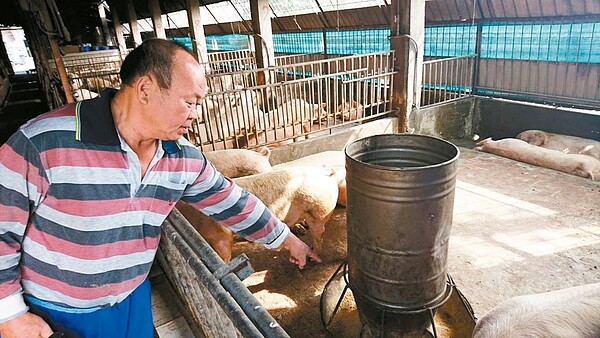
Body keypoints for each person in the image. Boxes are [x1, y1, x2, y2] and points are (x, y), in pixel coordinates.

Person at [0, 38, 321, 338]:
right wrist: (10, 313)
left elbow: (231, 201)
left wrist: (286, 239)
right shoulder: (43, 142)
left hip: (134, 293)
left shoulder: (181, 157)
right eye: (190, 102)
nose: (197, 114)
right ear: (145, 89)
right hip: (62, 309)